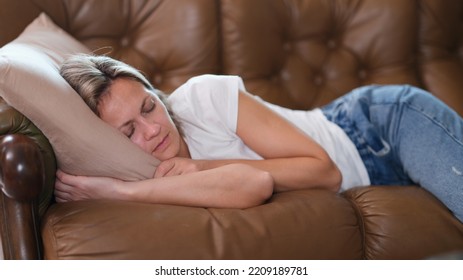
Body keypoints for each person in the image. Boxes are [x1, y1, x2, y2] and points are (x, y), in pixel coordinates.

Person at [55, 54, 463, 223]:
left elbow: (324, 172)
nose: (153, 129)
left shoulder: (202, 98)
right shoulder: (138, 173)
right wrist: (119, 192)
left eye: (148, 108)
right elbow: (254, 184)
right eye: (129, 133)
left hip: (377, 128)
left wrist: (199, 166)